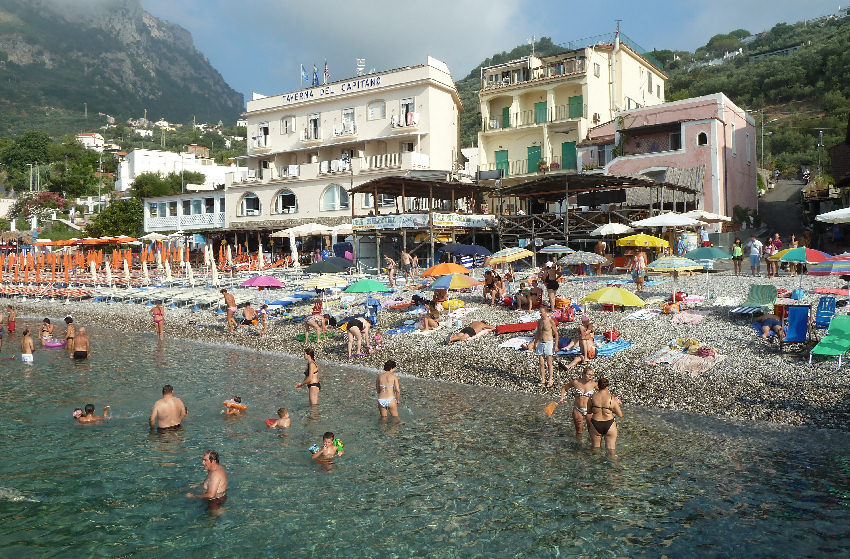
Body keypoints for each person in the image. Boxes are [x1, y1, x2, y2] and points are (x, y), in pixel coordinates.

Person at [557, 367, 598, 437]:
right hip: (578, 409)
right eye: (589, 374)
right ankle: (578, 446)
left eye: (592, 375)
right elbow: (564, 388)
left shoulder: (594, 384)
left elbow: (603, 392)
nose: (591, 377)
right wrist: (562, 398)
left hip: (589, 410)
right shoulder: (576, 382)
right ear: (583, 374)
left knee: (591, 430)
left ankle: (591, 446)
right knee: (579, 431)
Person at [586, 377, 623, 452]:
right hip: (609, 423)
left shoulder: (592, 398)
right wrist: (610, 409)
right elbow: (620, 415)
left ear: (598, 386)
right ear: (607, 386)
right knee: (611, 451)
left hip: (595, 423)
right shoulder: (612, 399)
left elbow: (589, 411)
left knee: (595, 450)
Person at [527, 305, 558, 388]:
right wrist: (535, 342)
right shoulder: (539, 321)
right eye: (539, 311)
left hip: (549, 342)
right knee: (541, 362)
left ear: (546, 312)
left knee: (549, 362)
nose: (540, 313)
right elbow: (538, 333)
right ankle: (543, 379)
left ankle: (550, 379)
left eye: (542, 311)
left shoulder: (551, 321)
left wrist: (556, 345)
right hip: (541, 342)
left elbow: (556, 334)